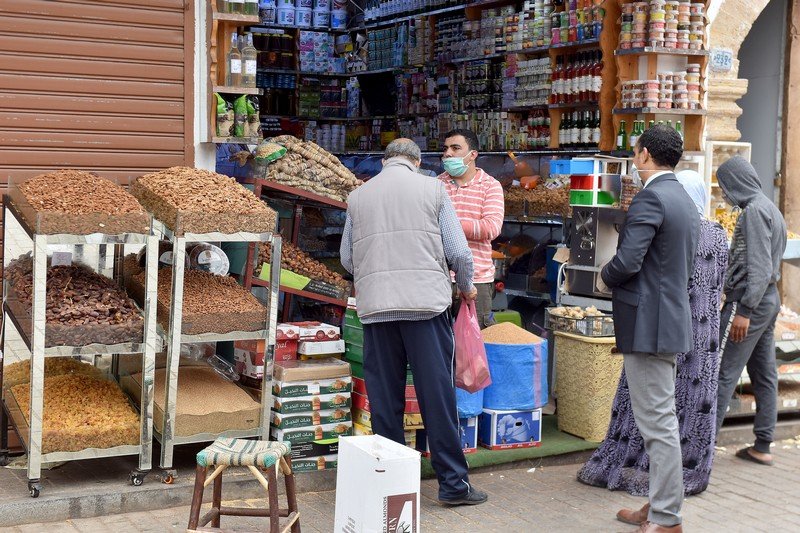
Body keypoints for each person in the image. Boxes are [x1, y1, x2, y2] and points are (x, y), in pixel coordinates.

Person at [340, 138, 488, 506]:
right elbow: (459, 253)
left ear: (384, 161)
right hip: (427, 308)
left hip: (377, 312)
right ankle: (453, 486)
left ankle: (392, 487)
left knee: (385, 401)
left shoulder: (358, 196)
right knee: (436, 398)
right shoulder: (433, 189)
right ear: (417, 161)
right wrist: (467, 288)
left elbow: (346, 258)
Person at [578, 170, 728, 499]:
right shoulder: (717, 233)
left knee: (653, 409)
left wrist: (609, 278)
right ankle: (677, 484)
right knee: (688, 405)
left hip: (663, 325)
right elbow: (720, 285)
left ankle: (659, 496)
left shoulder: (674, 226)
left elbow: (641, 267)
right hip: (704, 335)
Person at [598, 125, 700, 533]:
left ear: (643, 155)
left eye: (635, 150)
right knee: (657, 422)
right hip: (666, 320)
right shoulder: (683, 199)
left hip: (650, 324)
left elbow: (627, 263)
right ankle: (658, 504)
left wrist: (602, 278)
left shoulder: (651, 198)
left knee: (658, 424)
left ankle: (667, 518)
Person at [715, 156, 787, 466]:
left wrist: (743, 310)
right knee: (764, 372)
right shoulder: (769, 207)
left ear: (735, 183)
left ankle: (699, 450)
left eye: (724, 187)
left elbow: (758, 268)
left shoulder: (753, 213)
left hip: (750, 301)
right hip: (768, 300)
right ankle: (763, 444)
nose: (723, 194)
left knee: (722, 372)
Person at [438, 129, 504, 328]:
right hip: (439, 278)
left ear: (472, 154)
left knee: (475, 348)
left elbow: (491, 227)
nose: (448, 153)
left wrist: (449, 225)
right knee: (439, 347)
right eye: (446, 149)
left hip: (478, 280)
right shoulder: (436, 185)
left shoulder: (490, 185)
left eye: (455, 148)